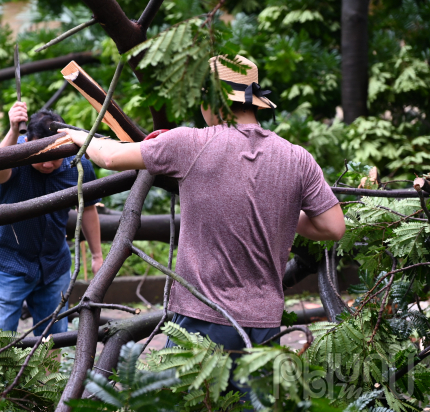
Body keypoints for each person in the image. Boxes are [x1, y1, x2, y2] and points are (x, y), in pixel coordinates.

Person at [58, 54, 345, 377]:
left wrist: (76, 135)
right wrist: (277, 211)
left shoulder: (190, 143)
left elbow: (108, 157)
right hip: (264, 326)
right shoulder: (297, 158)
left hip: (200, 321)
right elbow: (334, 226)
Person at [0, 101, 103, 336]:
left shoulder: (76, 164)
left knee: (53, 339)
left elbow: (87, 209)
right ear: (28, 143)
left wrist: (97, 255)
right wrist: (11, 130)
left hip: (54, 265)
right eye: (42, 157)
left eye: (55, 157)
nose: (48, 163)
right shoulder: (15, 154)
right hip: (9, 262)